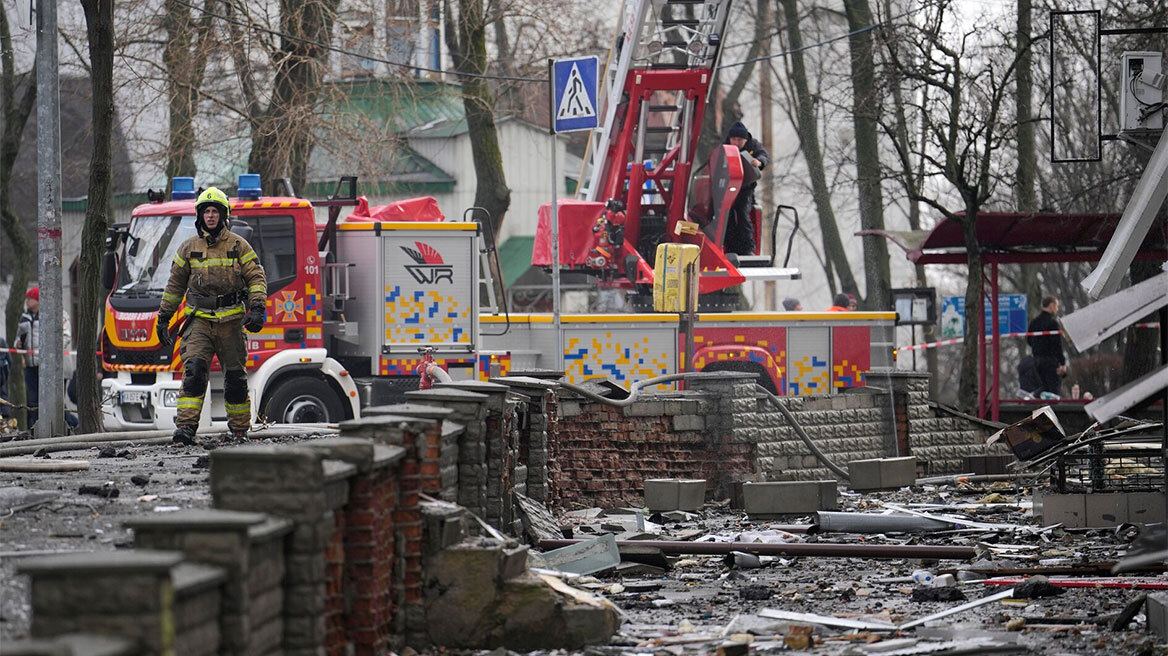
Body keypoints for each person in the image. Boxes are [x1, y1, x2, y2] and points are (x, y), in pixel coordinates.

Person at [157, 187, 267, 445]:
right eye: (206, 211)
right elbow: (174, 286)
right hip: (199, 321)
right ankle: (185, 427)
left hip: (231, 322)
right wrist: (164, 317)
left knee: (236, 377)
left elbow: (256, 277)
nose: (210, 216)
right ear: (199, 215)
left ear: (223, 214)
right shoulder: (188, 248)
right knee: (194, 371)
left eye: (214, 211)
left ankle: (239, 430)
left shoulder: (239, 246)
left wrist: (258, 308)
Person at [14, 288, 73, 429]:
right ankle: (36, 429)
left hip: (52, 367)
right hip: (31, 365)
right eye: (27, 298)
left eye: (30, 298)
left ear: (39, 300)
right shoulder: (24, 318)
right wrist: (18, 344)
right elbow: (18, 339)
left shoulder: (57, 314)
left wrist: (49, 354)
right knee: (33, 401)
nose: (27, 301)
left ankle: (70, 426)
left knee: (55, 403)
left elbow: (65, 337)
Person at [724, 121, 769, 256]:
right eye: (734, 139)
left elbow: (763, 156)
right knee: (727, 216)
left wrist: (759, 162)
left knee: (743, 214)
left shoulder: (753, 145)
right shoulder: (724, 147)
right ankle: (730, 247)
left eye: (740, 140)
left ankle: (748, 248)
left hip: (745, 189)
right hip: (727, 189)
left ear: (745, 139)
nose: (736, 143)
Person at [1026, 296, 1066, 397]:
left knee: (1044, 386)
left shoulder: (1033, 322)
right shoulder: (1052, 323)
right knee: (1053, 390)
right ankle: (1051, 409)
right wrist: (1062, 362)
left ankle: (1033, 396)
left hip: (1037, 360)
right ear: (1051, 305)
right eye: (1056, 306)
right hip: (1050, 361)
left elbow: (1029, 340)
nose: (1057, 309)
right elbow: (1057, 345)